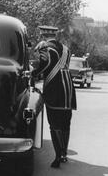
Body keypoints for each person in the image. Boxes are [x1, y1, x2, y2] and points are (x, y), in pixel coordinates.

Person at [32, 25, 77, 168]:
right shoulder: (66, 49)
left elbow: (44, 66)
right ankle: (63, 153)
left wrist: (33, 73)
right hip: (68, 88)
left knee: (54, 123)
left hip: (54, 87)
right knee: (66, 122)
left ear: (42, 34)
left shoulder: (45, 48)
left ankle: (58, 156)